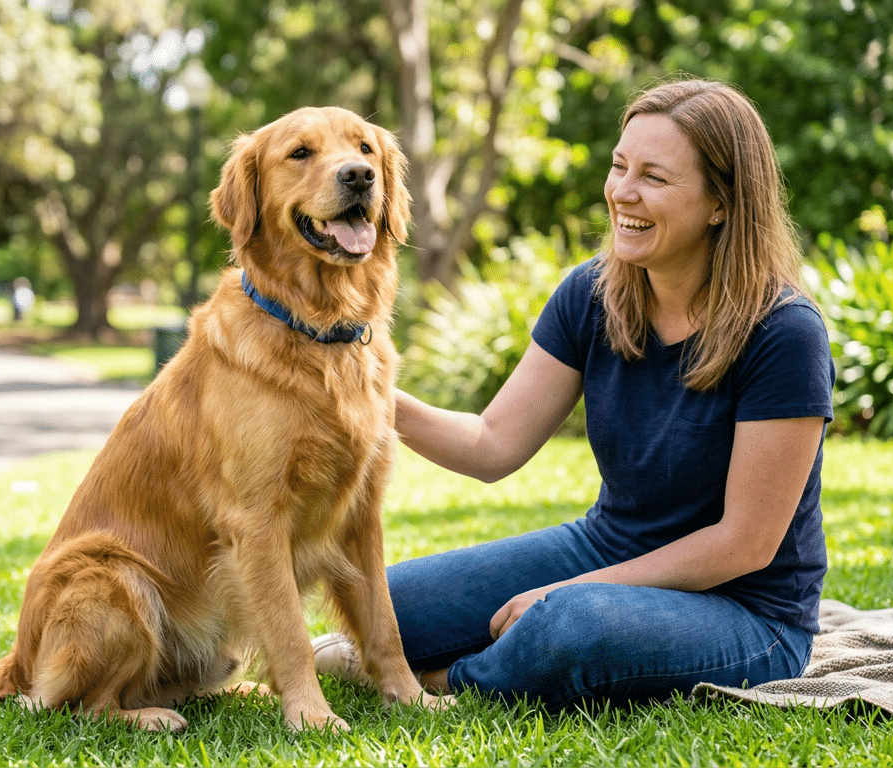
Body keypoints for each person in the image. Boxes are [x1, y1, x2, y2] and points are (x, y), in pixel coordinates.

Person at [312, 76, 836, 710]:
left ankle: (447, 681)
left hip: (748, 609)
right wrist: (359, 383)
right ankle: (478, 652)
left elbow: (744, 542)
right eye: (619, 167)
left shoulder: (784, 333)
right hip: (607, 545)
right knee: (385, 601)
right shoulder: (594, 294)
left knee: (571, 626)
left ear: (721, 203)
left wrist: (565, 595)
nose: (623, 192)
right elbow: (491, 445)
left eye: (655, 177)